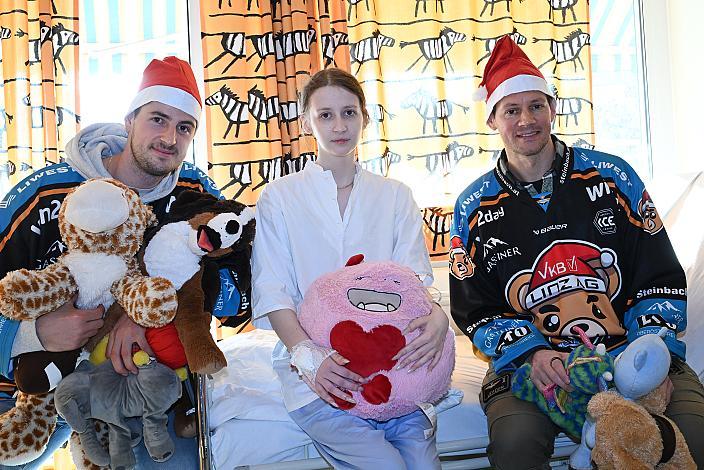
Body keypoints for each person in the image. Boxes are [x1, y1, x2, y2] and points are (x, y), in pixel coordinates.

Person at [449, 36, 704, 469]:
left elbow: (659, 274)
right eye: (512, 110)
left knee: (693, 433)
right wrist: (532, 352)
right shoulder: (473, 207)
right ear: (493, 119)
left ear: (553, 109)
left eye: (537, 106)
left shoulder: (613, 176)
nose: (526, 120)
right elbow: (476, 309)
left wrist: (649, 350)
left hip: (630, 349)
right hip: (530, 367)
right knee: (515, 447)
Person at [0, 56, 228, 469]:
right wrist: (32, 333)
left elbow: (236, 292)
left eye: (184, 127)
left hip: (142, 383)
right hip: (31, 382)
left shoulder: (197, 196)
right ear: (129, 121)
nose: (169, 138)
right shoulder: (45, 193)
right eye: (158, 119)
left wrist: (149, 315)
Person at [251, 68, 450, 469]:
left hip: (392, 367)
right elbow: (273, 291)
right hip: (319, 367)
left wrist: (440, 318)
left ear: (365, 117)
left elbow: (413, 284)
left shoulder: (395, 196)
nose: (339, 126)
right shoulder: (279, 198)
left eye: (349, 113)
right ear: (307, 121)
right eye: (325, 115)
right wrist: (310, 359)